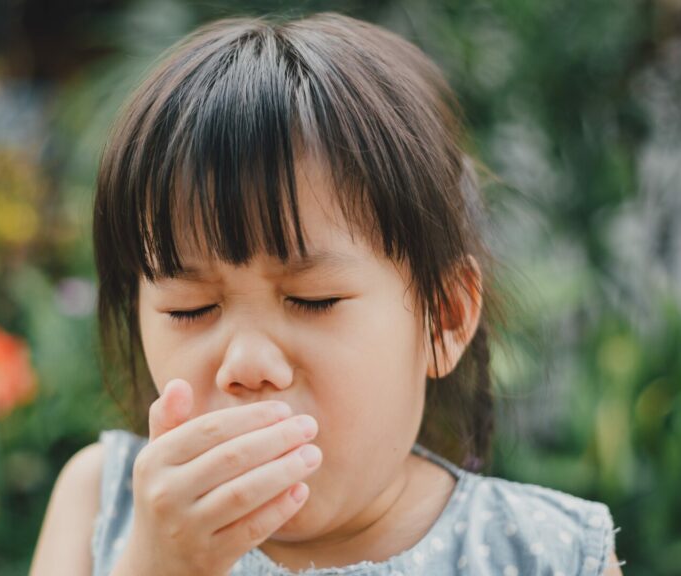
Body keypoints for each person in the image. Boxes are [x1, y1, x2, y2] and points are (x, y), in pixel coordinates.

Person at [30, 12, 624, 576]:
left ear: (442, 317)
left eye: (312, 300)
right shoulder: (98, 502)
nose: (247, 364)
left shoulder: (545, 554)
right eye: (191, 308)